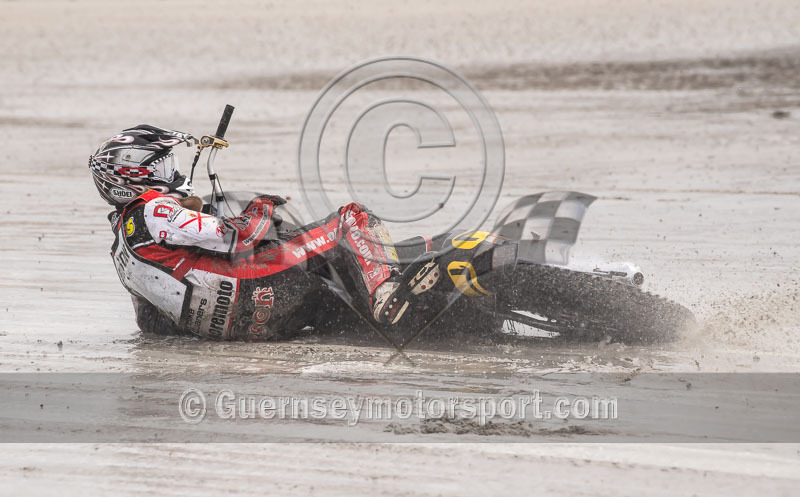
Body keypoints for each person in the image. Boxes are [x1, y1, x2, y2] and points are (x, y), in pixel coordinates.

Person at [89, 125, 441, 340]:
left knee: (328, 287)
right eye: (163, 165)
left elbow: (149, 323)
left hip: (241, 326)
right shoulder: (154, 208)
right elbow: (238, 237)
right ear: (132, 176)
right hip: (255, 284)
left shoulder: (121, 246)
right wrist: (262, 206)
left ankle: (411, 307)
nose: (172, 172)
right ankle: (388, 292)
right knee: (352, 219)